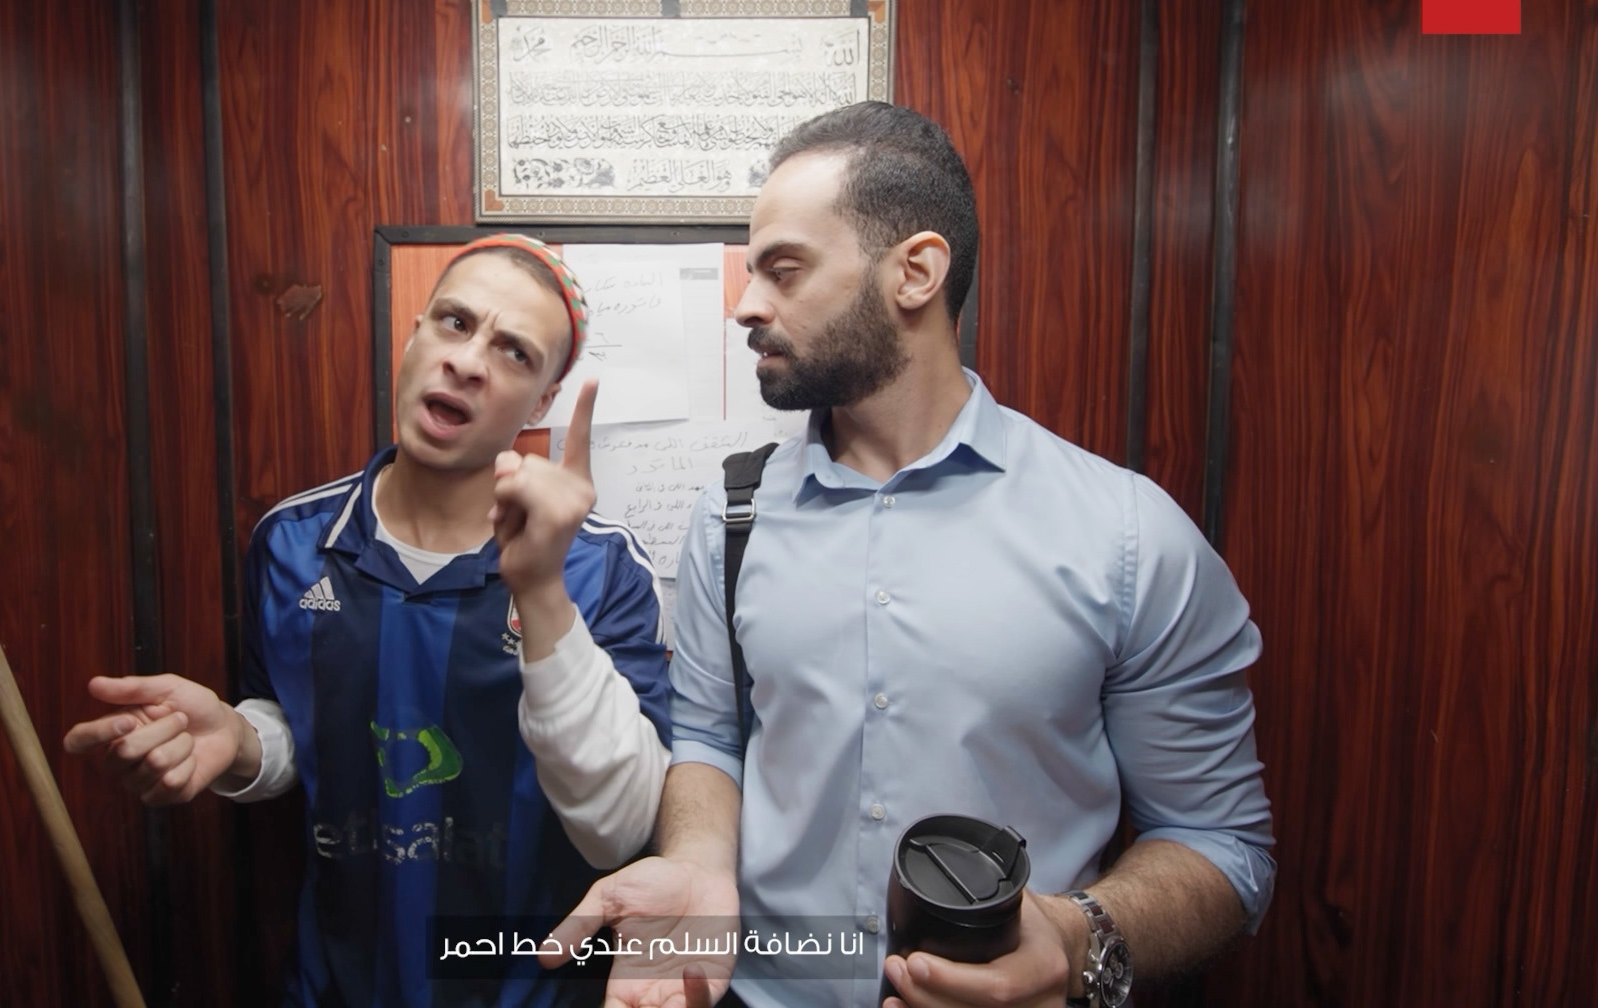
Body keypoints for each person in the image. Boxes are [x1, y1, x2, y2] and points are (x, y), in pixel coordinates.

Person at [545, 102, 1275, 1008]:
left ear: (917, 273)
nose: (746, 306)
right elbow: (710, 738)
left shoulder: (1127, 534)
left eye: (783, 269)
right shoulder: (730, 518)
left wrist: (1077, 934)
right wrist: (696, 861)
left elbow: (1221, 845)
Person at [64, 234, 673, 1008]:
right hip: (339, 987)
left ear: (543, 403)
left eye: (515, 352)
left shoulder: (604, 570)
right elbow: (301, 724)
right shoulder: (292, 542)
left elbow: (619, 829)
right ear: (414, 335)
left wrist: (541, 590)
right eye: (455, 322)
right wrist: (243, 743)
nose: (469, 361)